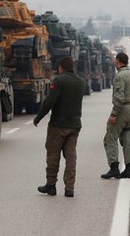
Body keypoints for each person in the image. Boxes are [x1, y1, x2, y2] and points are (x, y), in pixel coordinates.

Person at [34, 57, 86, 198]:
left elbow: (49, 101)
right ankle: (69, 188)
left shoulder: (59, 80)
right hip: (74, 125)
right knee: (70, 157)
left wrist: (38, 117)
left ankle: (51, 185)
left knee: (53, 155)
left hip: (58, 125)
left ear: (61, 67)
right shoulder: (81, 82)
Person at [101, 52, 130, 179]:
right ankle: (129, 169)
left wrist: (114, 114)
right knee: (127, 138)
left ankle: (114, 167)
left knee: (110, 137)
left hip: (122, 109)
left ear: (118, 62)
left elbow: (119, 97)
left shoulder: (119, 77)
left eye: (115, 61)